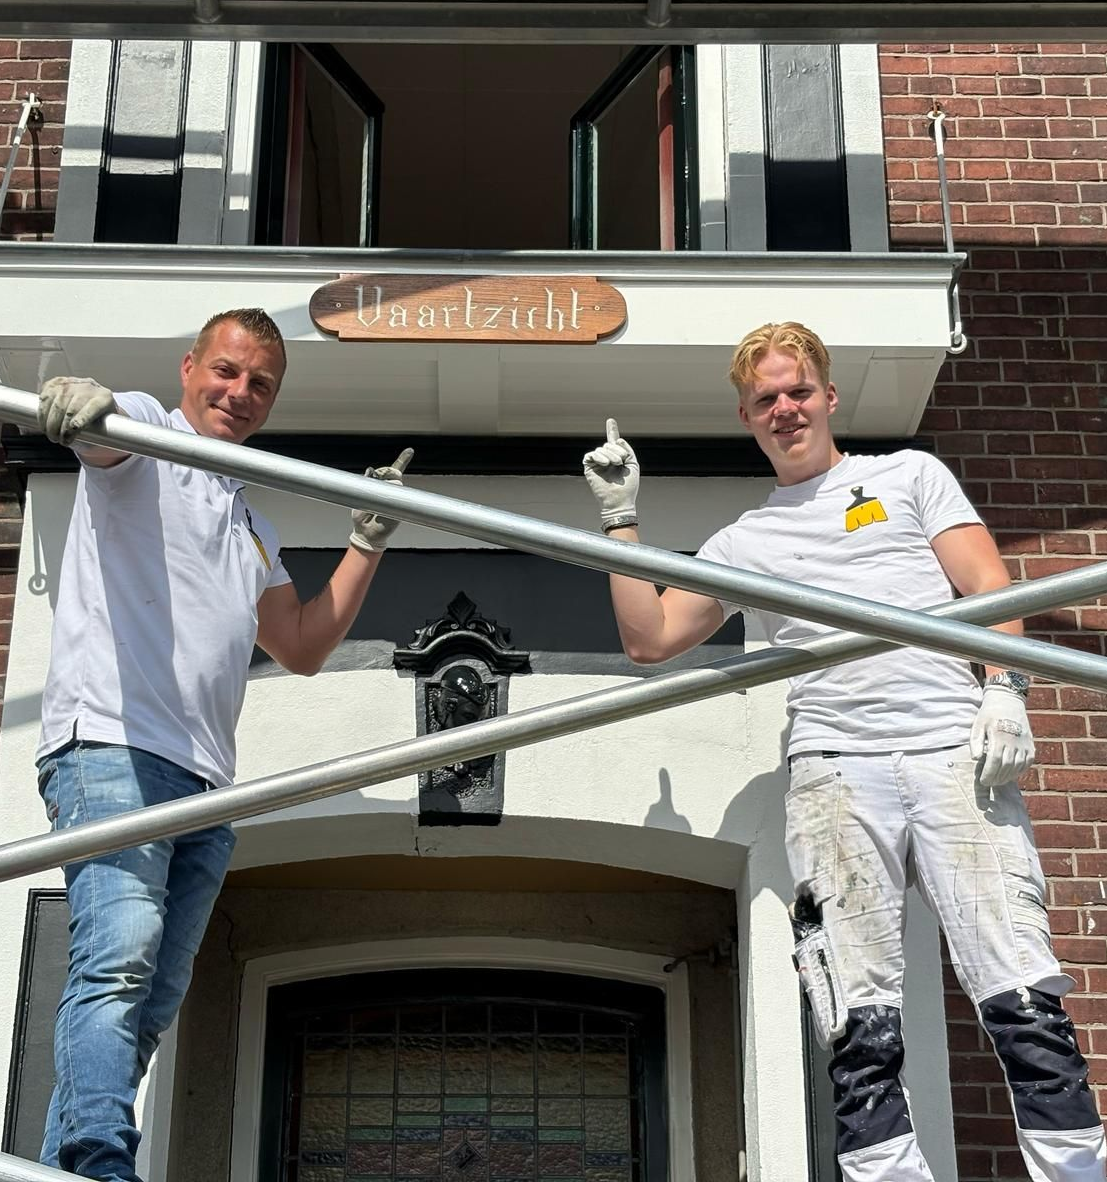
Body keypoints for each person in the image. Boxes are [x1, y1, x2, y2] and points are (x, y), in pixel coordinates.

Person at [582, 321, 1106, 1182]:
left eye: (796, 391)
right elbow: (652, 639)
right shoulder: (746, 539)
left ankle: (1075, 1173)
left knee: (1018, 986)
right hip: (833, 766)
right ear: (747, 419)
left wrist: (1005, 690)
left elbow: (986, 586)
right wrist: (619, 521)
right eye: (764, 401)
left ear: (827, 396)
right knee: (857, 1009)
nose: (784, 409)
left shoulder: (905, 476)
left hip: (948, 746)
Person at [34, 307, 412, 1182]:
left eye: (260, 385)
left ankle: (67, 1161)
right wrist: (82, 406)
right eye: (227, 373)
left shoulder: (250, 522)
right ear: (188, 369)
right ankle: (97, 1156)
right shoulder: (146, 431)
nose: (239, 394)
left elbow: (304, 645)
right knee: (118, 956)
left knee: (154, 996)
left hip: (207, 780)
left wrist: (366, 540)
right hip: (114, 744)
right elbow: (97, 434)